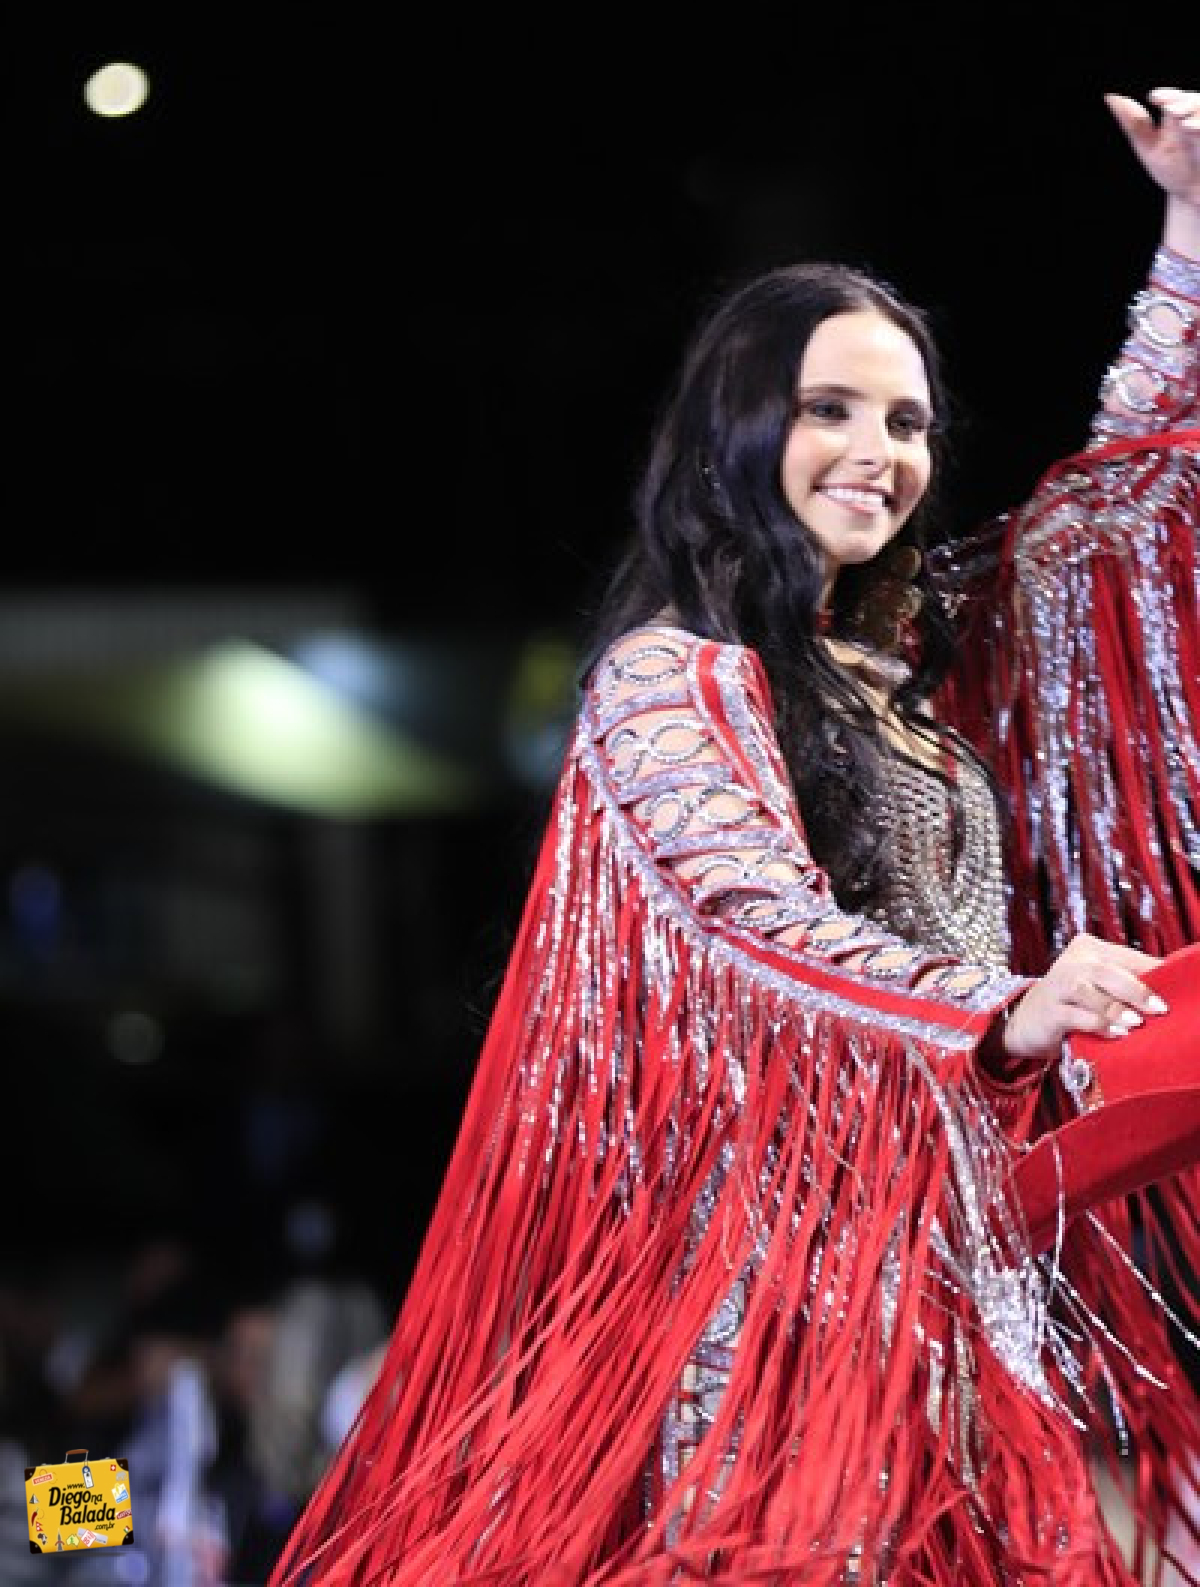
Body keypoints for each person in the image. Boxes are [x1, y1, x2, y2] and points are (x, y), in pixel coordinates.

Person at [270, 86, 1200, 1586]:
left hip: (956, 1284)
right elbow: (748, 916)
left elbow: (1119, 499)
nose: (877, 449)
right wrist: (1004, 1010)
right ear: (738, 430)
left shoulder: (912, 665)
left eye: (906, 420)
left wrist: (1190, 230)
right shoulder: (669, 677)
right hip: (766, 1311)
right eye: (831, 408)